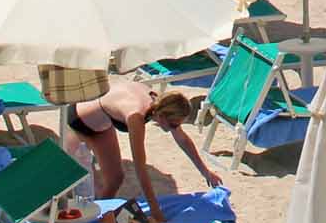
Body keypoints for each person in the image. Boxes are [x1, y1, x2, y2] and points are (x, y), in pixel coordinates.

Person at [66, 85, 217, 209]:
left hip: (100, 121)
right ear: (162, 116)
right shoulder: (136, 116)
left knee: (115, 179)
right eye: (173, 124)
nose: (174, 128)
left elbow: (182, 139)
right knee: (84, 193)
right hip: (77, 122)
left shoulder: (161, 103)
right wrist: (155, 208)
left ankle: (100, 220)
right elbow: (140, 168)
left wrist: (206, 172)